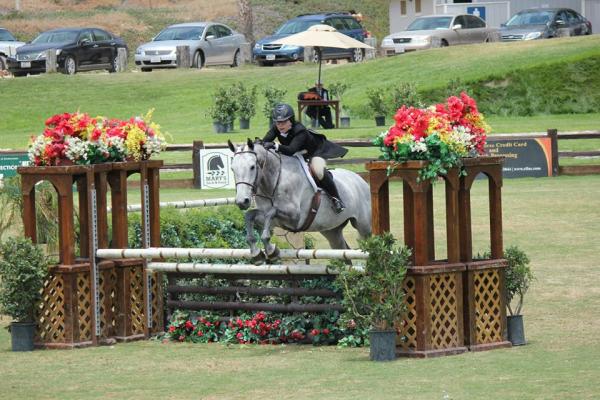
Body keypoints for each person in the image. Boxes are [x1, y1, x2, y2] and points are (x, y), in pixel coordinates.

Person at [262, 103, 347, 213]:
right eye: (278, 122)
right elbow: (265, 140)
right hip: (298, 154)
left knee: (318, 171)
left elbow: (291, 150)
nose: (280, 125)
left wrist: (275, 145)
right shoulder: (277, 128)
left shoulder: (300, 130)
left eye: (284, 122)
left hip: (315, 152)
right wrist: (258, 144)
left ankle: (336, 199)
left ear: (291, 120)